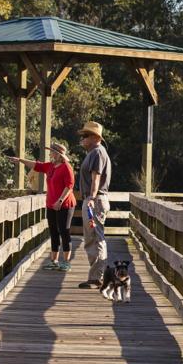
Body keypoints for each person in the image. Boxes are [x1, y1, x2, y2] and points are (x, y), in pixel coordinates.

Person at [8, 142, 76, 271]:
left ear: (58, 154)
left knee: (64, 231)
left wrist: (60, 201)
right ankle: (54, 261)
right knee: (53, 232)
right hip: (51, 204)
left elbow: (69, 186)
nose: (50, 154)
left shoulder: (66, 167)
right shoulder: (50, 166)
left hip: (65, 205)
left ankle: (66, 262)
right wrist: (20, 160)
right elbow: (35, 165)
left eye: (52, 152)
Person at [75, 121, 112, 288]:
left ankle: (97, 278)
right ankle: (95, 276)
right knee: (91, 238)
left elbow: (96, 178)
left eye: (86, 135)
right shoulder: (94, 153)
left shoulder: (97, 152)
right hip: (93, 200)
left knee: (96, 238)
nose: (82, 139)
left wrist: (91, 197)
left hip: (94, 201)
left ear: (96, 137)